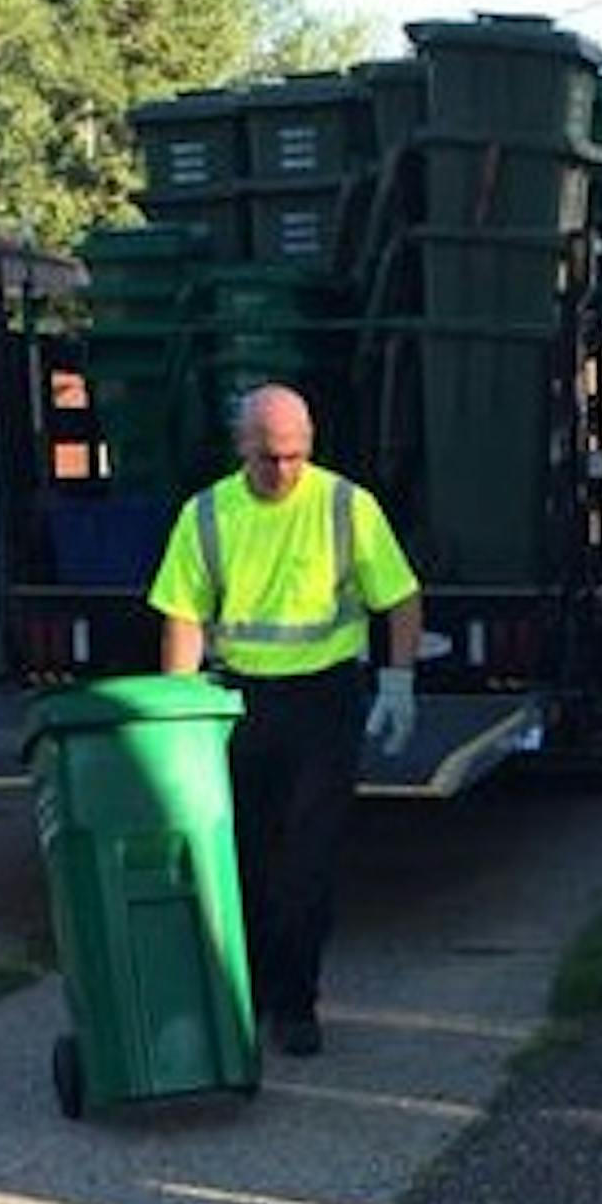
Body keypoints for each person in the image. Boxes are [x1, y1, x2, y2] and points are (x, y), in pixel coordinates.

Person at [147, 384, 422, 1057]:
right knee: (238, 857)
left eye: (296, 455)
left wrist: (397, 681)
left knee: (308, 859)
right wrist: (178, 712)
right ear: (243, 448)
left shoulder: (344, 505)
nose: (284, 471)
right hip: (240, 699)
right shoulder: (208, 514)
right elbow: (183, 612)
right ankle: (248, 993)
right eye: (270, 457)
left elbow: (401, 595)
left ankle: (295, 1003)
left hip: (325, 698)